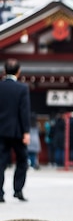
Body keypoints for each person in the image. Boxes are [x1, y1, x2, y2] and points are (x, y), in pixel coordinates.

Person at [0, 59, 31, 202]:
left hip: (1, 131)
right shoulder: (22, 88)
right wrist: (26, 132)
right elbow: (24, 112)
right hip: (17, 131)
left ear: (4, 71)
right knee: (23, 159)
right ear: (19, 72)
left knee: (0, 161)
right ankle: (18, 189)